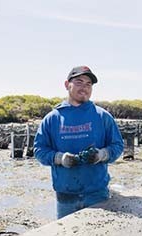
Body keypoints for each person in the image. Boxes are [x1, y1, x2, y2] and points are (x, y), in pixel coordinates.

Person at [34, 65, 124, 219]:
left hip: (97, 194)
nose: (84, 88)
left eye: (89, 84)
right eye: (79, 82)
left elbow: (117, 146)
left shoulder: (103, 116)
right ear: (67, 84)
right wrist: (60, 158)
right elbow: (39, 150)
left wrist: (102, 154)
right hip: (65, 195)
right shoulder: (52, 118)